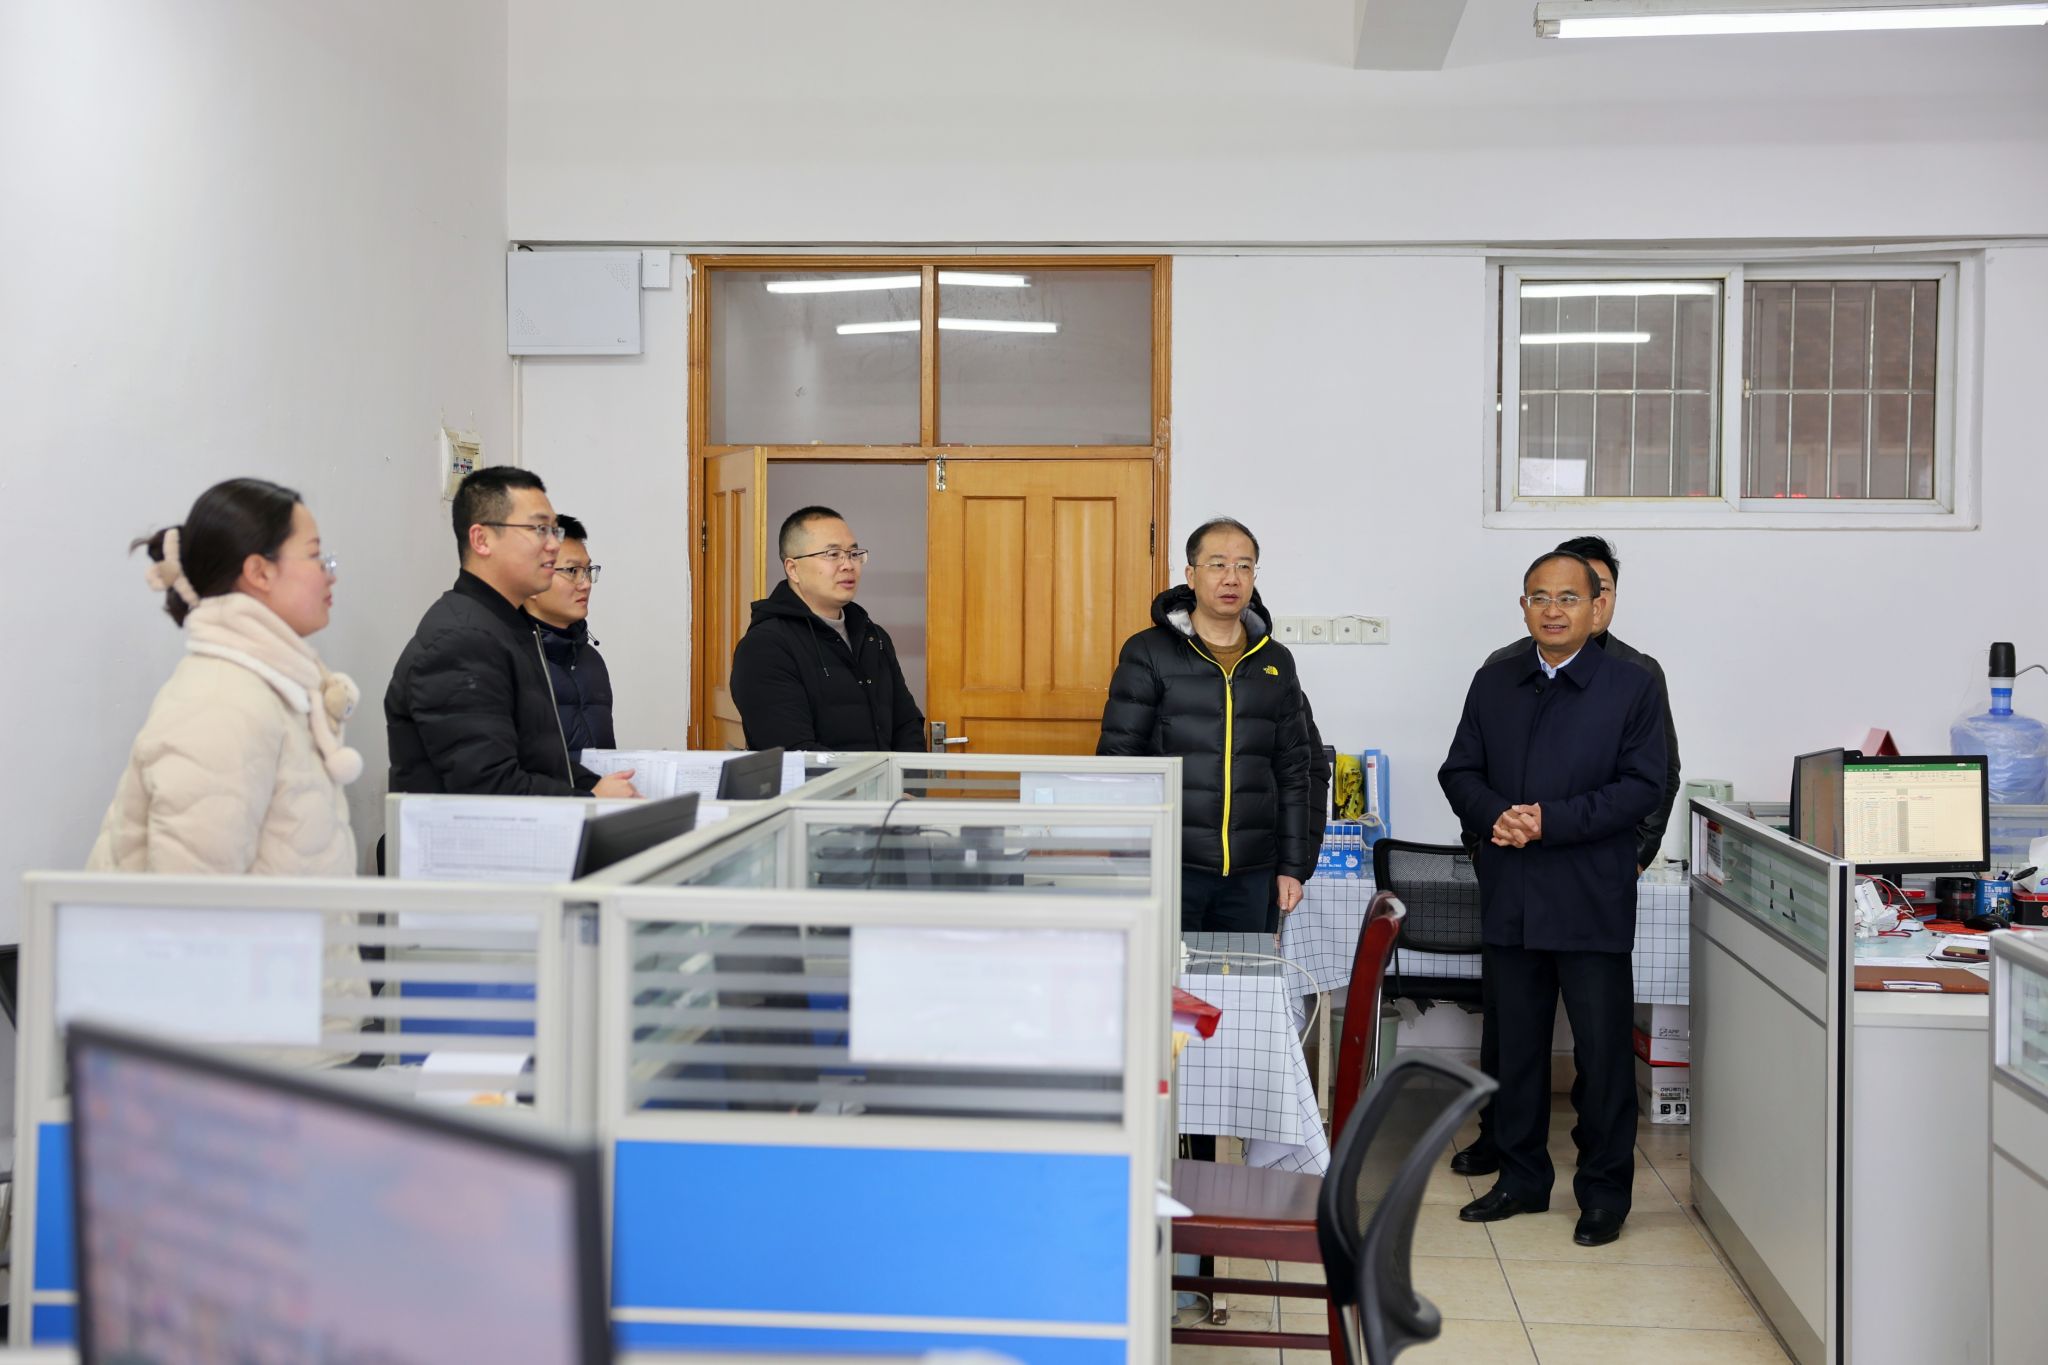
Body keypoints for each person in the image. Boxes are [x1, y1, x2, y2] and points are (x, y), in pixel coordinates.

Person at [1438, 550, 1667, 1248]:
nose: (1553, 610)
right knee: (1517, 1051)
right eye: (1539, 597)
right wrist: (1497, 815)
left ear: (1597, 606)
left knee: (1602, 1056)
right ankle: (1521, 1179)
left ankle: (1603, 1193)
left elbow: (1644, 785)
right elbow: (1459, 770)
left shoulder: (1632, 684)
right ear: (1524, 607)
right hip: (1512, 892)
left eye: (1569, 597)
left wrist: (1549, 821)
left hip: (1591, 895)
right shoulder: (1495, 680)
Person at [89, 478, 362, 875]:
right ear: (259, 572)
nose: (329, 574)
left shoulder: (266, 686)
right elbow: (191, 897)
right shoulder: (222, 702)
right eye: (315, 556)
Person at [1098, 518, 1315, 933]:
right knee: (1167, 973)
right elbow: (1120, 763)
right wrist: (1129, 859)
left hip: (1253, 871)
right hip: (1170, 866)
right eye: (1218, 565)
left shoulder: (1276, 661)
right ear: (1191, 574)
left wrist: (1292, 867)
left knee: (1243, 974)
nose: (1231, 578)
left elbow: (1293, 772)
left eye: (1244, 566)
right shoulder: (1149, 652)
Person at [386, 467, 637, 798]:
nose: (552, 545)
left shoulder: (511, 627)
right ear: (482, 540)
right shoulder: (461, 640)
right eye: (539, 529)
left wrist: (597, 785)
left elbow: (541, 760)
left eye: (554, 531)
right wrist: (592, 799)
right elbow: (489, 787)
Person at [730, 505, 925, 752]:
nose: (848, 565)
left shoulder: (874, 637)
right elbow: (793, 750)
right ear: (793, 569)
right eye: (833, 554)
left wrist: (905, 774)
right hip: (825, 780)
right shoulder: (764, 647)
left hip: (886, 778)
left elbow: (906, 724)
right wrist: (868, 779)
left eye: (854, 554)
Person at [527, 514, 615, 755]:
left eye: (587, 571)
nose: (585, 583)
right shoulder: (508, 660)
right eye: (573, 571)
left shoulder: (591, 661)